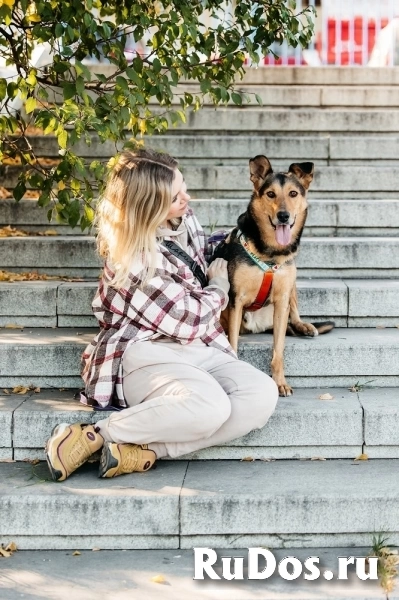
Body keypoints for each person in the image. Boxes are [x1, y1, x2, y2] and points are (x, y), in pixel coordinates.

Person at [45, 149, 278, 481]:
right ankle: (95, 434)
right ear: (147, 210)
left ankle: (145, 451)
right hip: (146, 351)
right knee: (211, 407)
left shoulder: (181, 218)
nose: (187, 198)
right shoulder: (134, 261)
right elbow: (188, 320)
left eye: (183, 187)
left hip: (201, 348)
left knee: (262, 394)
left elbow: (196, 260)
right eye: (175, 197)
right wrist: (220, 288)